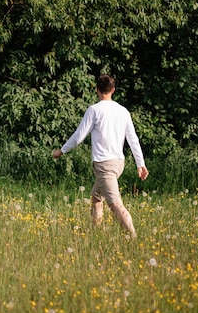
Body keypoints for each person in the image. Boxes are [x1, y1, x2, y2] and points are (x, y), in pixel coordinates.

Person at [52, 74, 149, 238]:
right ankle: (95, 235)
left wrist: (61, 151)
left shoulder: (94, 110)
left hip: (105, 165)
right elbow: (133, 139)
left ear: (97, 89)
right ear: (113, 90)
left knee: (115, 204)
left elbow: (78, 136)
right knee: (97, 199)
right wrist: (140, 164)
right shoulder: (123, 111)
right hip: (118, 163)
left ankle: (134, 238)